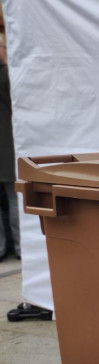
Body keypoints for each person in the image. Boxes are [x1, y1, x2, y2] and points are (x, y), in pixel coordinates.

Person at [0, 33, 19, 263]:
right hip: (7, 148)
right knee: (14, 200)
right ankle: (21, 247)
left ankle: (1, 248)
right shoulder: (8, 76)